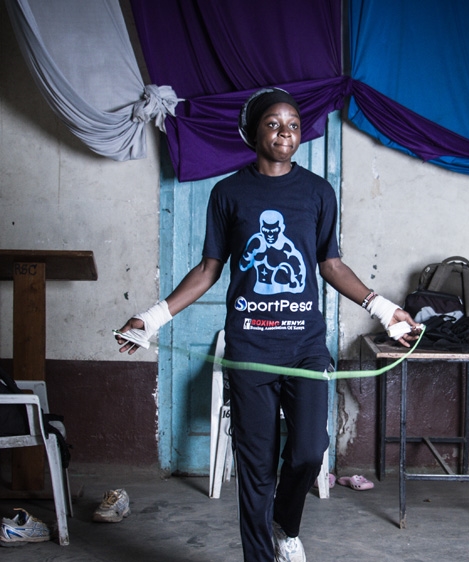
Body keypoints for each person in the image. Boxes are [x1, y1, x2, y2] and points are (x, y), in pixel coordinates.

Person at [116, 87, 418, 562]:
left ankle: (285, 525)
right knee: (255, 466)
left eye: (293, 125)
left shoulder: (317, 192)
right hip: (250, 348)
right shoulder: (228, 193)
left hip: (305, 348)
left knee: (309, 450)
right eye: (274, 124)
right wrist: (151, 318)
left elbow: (331, 265)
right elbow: (208, 270)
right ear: (253, 132)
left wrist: (384, 309)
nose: (285, 133)